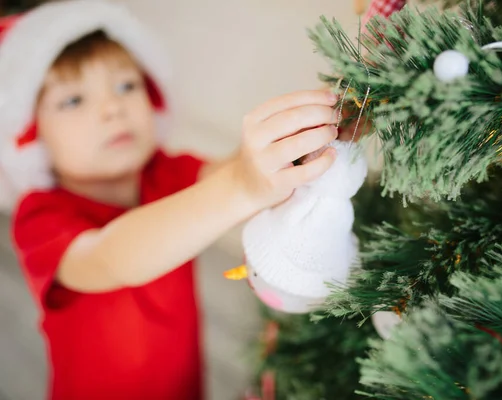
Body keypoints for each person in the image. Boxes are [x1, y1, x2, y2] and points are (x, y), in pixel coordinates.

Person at [0, 1, 339, 399]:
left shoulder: (166, 172)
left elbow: (237, 170)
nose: (113, 108)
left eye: (127, 85)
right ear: (32, 134)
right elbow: (114, 256)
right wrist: (240, 185)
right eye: (73, 100)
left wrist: (309, 131)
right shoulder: (40, 217)